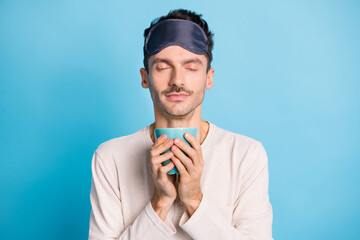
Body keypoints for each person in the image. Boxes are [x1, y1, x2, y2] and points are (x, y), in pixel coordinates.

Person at [88, 8, 273, 240]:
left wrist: (194, 200)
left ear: (209, 78)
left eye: (192, 67)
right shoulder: (110, 158)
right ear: (145, 78)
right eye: (163, 67)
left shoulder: (246, 155)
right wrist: (160, 203)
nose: (177, 80)